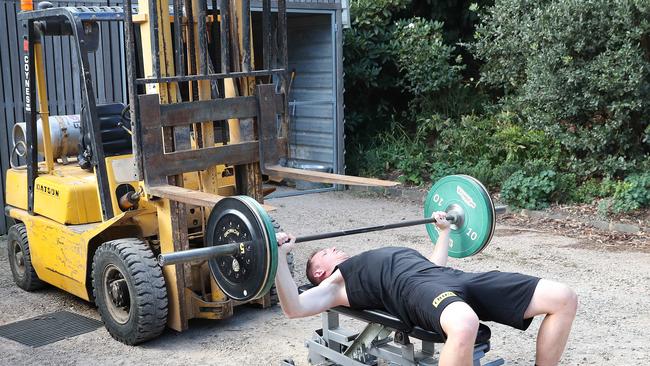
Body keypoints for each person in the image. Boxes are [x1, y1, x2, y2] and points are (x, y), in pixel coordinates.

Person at [273, 212, 578, 366]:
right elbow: (293, 308)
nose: (335, 247)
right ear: (319, 271)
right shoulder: (336, 282)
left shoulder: (377, 257)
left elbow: (435, 263)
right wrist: (279, 259)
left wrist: (444, 231)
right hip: (413, 290)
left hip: (448, 277)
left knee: (563, 297)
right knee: (465, 323)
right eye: (326, 251)